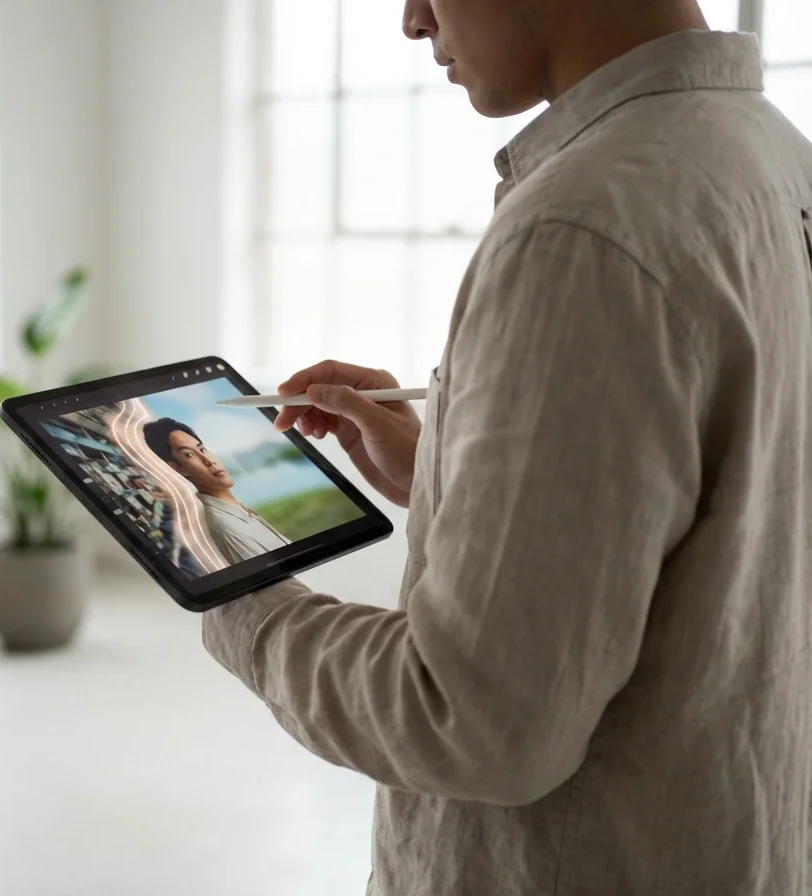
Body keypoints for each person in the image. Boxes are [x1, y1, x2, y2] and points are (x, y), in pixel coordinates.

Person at [200, 2, 812, 894]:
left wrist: (241, 597)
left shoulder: (581, 229)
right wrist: (449, 469)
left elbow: (475, 722)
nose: (412, 20)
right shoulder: (771, 154)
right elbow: (729, 511)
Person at [142, 417, 291, 564]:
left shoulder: (239, 511)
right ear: (178, 468)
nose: (208, 460)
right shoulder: (225, 526)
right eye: (189, 454)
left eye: (202, 449)